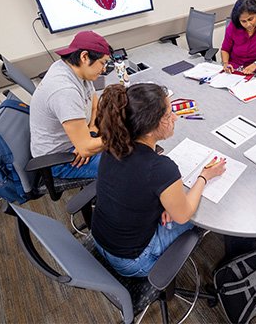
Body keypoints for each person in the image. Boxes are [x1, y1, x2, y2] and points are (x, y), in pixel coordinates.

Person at [91, 83, 226, 277]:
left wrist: (165, 204)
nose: (175, 117)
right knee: (202, 215)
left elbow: (135, 187)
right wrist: (205, 176)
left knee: (173, 207)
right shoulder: (160, 168)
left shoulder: (114, 144)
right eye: (168, 114)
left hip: (102, 238)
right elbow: (183, 214)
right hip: (132, 261)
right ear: (148, 129)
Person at [30, 30, 113, 179]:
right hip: (62, 159)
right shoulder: (64, 90)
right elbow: (86, 148)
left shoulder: (76, 69)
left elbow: (94, 104)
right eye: (103, 62)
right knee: (128, 161)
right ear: (85, 57)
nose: (104, 69)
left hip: (79, 140)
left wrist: (92, 130)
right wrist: (122, 136)